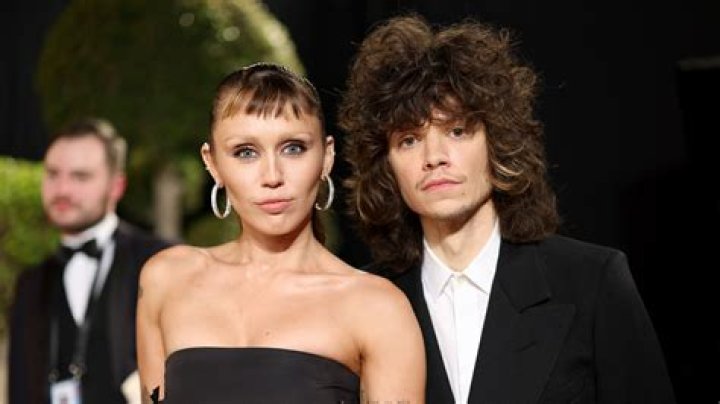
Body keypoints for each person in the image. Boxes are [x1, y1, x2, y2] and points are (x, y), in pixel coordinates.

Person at [339, 14, 675, 404]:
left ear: (497, 141)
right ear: (386, 164)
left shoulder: (591, 282)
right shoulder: (364, 302)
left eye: (457, 131)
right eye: (409, 140)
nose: (434, 156)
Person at [136, 62, 425, 404]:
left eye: (293, 148)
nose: (272, 176)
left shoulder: (375, 306)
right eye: (246, 152)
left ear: (327, 156)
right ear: (212, 164)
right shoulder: (167, 280)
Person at [8, 117, 172, 404]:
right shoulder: (30, 282)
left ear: (116, 186)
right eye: (53, 174)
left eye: (80, 177)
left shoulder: (160, 261)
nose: (62, 190)